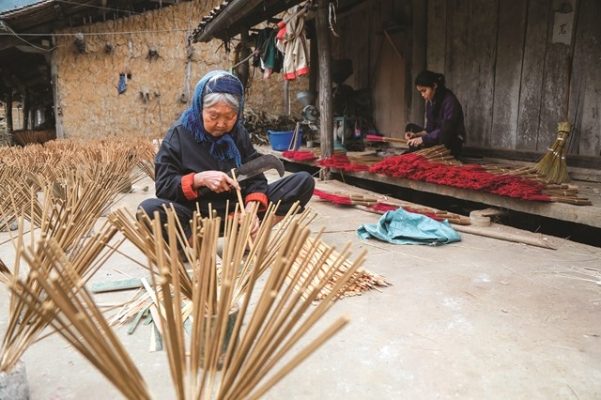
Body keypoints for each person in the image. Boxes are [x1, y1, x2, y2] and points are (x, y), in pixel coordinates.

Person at [139, 70, 314, 239]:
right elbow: (164, 186)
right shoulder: (178, 135)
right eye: (213, 115)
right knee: (148, 210)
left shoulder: (238, 134)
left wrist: (251, 208)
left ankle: (251, 233)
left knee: (302, 182)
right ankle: (197, 244)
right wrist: (199, 179)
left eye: (230, 116)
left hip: (236, 212)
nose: (221, 124)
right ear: (200, 107)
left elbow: (255, 177)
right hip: (196, 214)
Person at [404, 70, 465, 157]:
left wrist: (423, 139)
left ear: (434, 85)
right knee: (410, 128)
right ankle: (421, 151)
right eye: (420, 92)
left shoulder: (450, 101)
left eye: (424, 90)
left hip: (451, 142)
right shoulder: (430, 101)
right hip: (436, 139)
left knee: (446, 128)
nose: (422, 95)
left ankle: (433, 153)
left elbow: (447, 129)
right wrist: (416, 135)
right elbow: (430, 129)